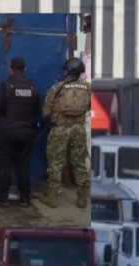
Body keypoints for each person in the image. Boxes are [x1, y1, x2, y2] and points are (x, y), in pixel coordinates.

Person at [0, 57, 41, 207]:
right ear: (25, 69)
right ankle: (25, 198)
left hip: (7, 131)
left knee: (5, 164)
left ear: (10, 68)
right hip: (26, 132)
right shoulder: (32, 87)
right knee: (23, 164)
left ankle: (3, 197)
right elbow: (37, 110)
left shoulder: (7, 85)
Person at [38, 57, 91, 209]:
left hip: (60, 129)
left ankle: (52, 197)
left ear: (67, 71)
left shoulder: (58, 88)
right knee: (79, 162)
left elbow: (46, 112)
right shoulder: (87, 88)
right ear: (80, 72)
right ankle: (82, 198)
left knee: (55, 162)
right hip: (79, 129)